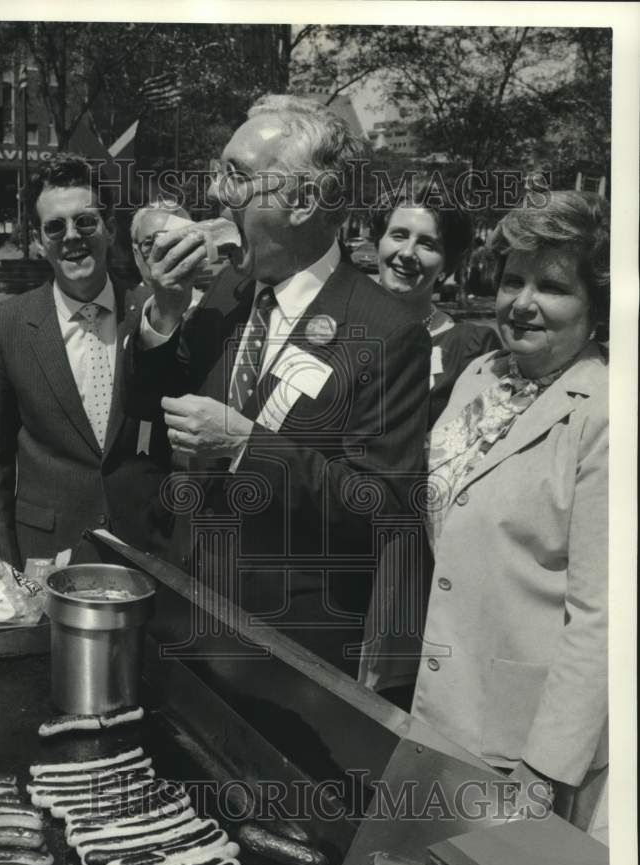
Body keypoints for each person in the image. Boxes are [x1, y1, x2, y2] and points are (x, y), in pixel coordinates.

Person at [128, 95, 430, 675]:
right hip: (184, 613)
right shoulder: (226, 293)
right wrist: (164, 313)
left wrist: (246, 446)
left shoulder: (388, 332)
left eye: (237, 176)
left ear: (304, 201)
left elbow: (381, 506)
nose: (215, 193)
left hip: (286, 645)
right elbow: (150, 409)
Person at [413, 190, 609, 823]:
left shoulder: (606, 411)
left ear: (594, 304)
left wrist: (545, 765)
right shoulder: (482, 374)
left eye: (551, 287)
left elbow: (601, 613)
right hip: (441, 701)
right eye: (512, 280)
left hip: (522, 741)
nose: (522, 303)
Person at [0, 153, 172, 569]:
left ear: (110, 229)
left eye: (85, 221)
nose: (72, 236)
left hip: (147, 552)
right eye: (55, 227)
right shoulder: (5, 325)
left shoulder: (151, 313)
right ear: (40, 241)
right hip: (48, 557)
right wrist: (2, 574)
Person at [368, 184, 497, 427]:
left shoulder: (469, 349)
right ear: (378, 243)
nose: (407, 253)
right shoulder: (337, 321)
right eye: (399, 235)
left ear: (446, 265)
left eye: (427, 244)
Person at [128, 199, 201, 315]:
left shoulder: (209, 305)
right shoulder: (120, 309)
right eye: (150, 243)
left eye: (173, 243)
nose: (162, 253)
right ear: (136, 254)